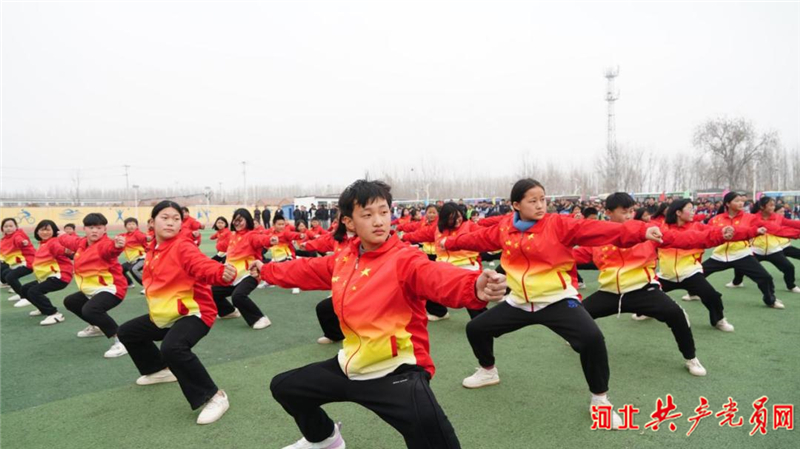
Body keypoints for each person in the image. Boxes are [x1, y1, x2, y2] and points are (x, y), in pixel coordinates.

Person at [252, 179, 507, 449]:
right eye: (367, 214)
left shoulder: (404, 259)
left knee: (432, 435)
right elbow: (304, 270)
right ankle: (326, 439)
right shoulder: (344, 259)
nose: (378, 221)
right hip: (351, 366)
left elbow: (435, 276)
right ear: (349, 223)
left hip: (397, 371)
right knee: (286, 387)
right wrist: (265, 270)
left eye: (384, 212)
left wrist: (474, 286)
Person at [440, 178, 663, 429]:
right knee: (476, 328)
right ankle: (488, 371)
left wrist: (641, 231)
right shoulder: (505, 228)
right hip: (519, 301)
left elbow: (597, 229)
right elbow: (478, 239)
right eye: (532, 201)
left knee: (592, 339)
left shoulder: (557, 224)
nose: (540, 205)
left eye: (542, 200)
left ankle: (600, 399)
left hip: (556, 299)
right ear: (516, 205)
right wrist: (450, 243)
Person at [118, 201, 237, 425]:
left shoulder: (182, 246)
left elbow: (201, 264)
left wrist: (220, 272)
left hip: (194, 312)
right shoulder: (153, 248)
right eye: (165, 217)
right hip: (166, 314)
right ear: (152, 222)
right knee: (127, 332)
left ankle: (214, 396)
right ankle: (158, 370)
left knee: (173, 347)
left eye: (176, 219)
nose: (171, 222)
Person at [57, 213, 129, 358]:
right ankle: (97, 327)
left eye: (99, 227)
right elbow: (69, 240)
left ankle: (122, 340)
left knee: (91, 309)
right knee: (71, 301)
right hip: (91, 289)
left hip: (111, 288)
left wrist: (117, 246)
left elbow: (111, 249)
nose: (95, 230)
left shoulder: (104, 245)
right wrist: (61, 235)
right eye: (91, 227)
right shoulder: (81, 243)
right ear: (84, 229)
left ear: (105, 229)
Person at [211, 209, 273, 329]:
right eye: (235, 220)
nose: (237, 223)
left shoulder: (251, 235)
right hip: (232, 275)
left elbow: (261, 239)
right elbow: (222, 246)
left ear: (247, 221)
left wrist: (270, 240)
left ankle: (260, 318)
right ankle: (228, 312)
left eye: (240, 220)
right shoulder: (232, 235)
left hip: (249, 274)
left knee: (238, 296)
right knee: (211, 291)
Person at [728, 196, 800, 293]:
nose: (773, 207)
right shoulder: (753, 218)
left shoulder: (777, 217)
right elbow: (775, 229)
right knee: (740, 265)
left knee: (789, 267)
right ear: (762, 207)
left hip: (773, 249)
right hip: (756, 249)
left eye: (774, 205)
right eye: (771, 205)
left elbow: (792, 223)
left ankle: (791, 286)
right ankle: (737, 282)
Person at [18, 220, 73, 325]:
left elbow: (64, 250)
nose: (45, 232)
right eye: (42, 230)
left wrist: (71, 253)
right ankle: (43, 308)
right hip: (47, 277)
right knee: (25, 289)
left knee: (33, 291)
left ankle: (54, 314)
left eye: (48, 230)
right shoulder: (43, 243)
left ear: (54, 231)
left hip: (60, 277)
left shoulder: (53, 242)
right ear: (37, 232)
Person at [1, 218, 35, 304]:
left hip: (28, 262)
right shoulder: (4, 239)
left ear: (16, 227)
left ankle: (25, 298)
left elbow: (19, 240)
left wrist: (23, 242)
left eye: (11, 226)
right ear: (2, 228)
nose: (8, 228)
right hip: (17, 264)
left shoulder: (17, 235)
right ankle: (20, 293)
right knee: (5, 273)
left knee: (10, 276)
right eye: (6, 226)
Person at [120, 217, 148, 288]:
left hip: (142, 258)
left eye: (133, 224)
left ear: (137, 226)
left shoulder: (137, 234)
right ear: (125, 226)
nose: (131, 226)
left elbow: (144, 238)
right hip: (131, 261)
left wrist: (148, 238)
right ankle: (130, 283)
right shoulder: (124, 236)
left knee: (134, 269)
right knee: (119, 269)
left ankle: (147, 286)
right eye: (129, 224)